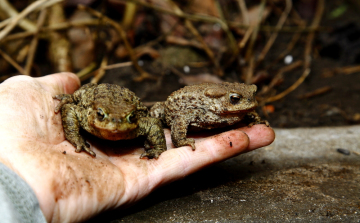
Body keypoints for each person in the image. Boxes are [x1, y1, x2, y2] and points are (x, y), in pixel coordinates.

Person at [0, 73, 275, 222]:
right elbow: (71, 107)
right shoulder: (85, 114)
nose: (115, 127)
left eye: (131, 120)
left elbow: (151, 125)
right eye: (104, 120)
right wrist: (75, 138)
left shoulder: (141, 121)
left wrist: (155, 148)